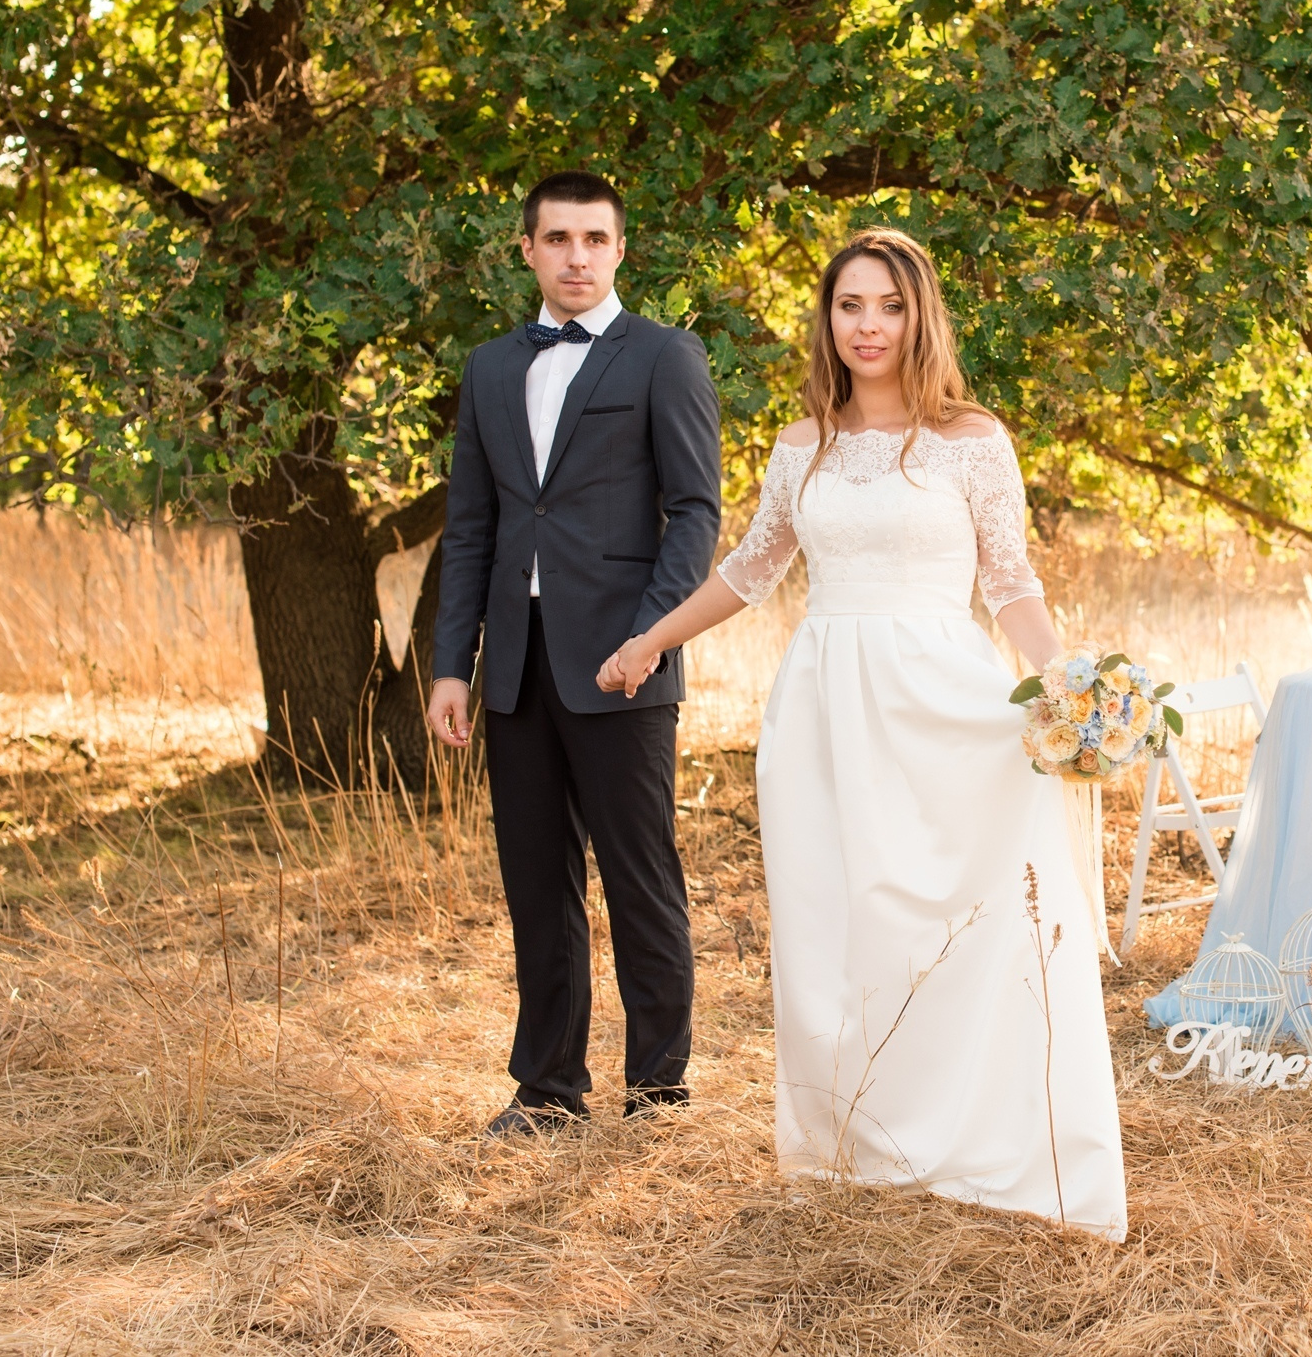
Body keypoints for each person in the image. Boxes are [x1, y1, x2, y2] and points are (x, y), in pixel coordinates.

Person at [598, 228, 1128, 1239]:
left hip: (946, 700)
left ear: (918, 314)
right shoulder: (804, 447)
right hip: (825, 711)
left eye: (888, 305)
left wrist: (1061, 689)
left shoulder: (973, 439)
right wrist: (647, 642)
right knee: (839, 922)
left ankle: (982, 1141)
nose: (869, 325)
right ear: (828, 320)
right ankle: (866, 1150)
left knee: (961, 915)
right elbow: (749, 571)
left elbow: (1010, 581)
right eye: (850, 306)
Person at [425, 171, 721, 1133]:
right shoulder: (489, 368)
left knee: (641, 879)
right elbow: (470, 527)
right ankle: (548, 1091)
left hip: (623, 665)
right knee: (535, 886)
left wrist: (650, 637)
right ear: (528, 250)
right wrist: (451, 664)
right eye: (558, 239)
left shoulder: (665, 358)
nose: (577, 257)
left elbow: (694, 515)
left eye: (595, 239)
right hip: (514, 666)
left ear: (621, 249)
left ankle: (659, 1092)